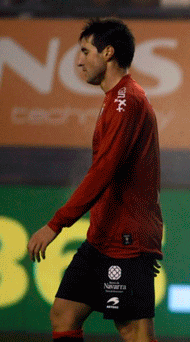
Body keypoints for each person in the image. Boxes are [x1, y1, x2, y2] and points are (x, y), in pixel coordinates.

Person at [27, 18, 163, 342]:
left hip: (127, 240)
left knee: (133, 330)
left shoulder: (126, 100)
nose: (78, 61)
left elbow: (103, 171)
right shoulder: (115, 98)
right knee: (64, 313)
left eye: (85, 51)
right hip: (103, 236)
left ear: (108, 53)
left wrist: (56, 223)